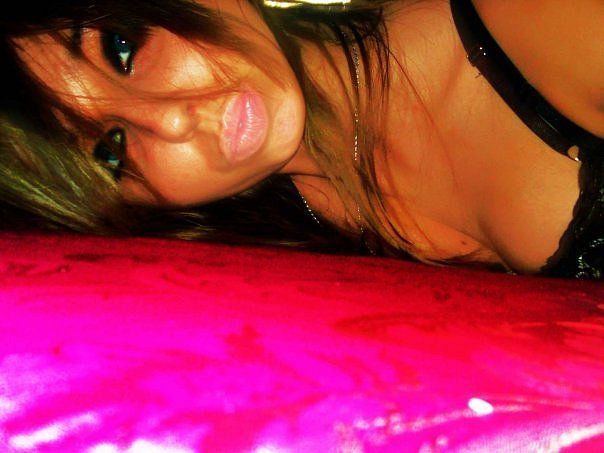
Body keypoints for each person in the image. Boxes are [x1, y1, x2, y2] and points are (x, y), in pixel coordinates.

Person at [1, 0, 602, 278]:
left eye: (122, 48)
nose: (172, 120)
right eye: (109, 151)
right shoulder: (272, 272)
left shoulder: (532, 19)